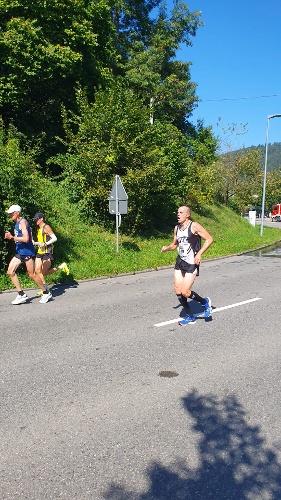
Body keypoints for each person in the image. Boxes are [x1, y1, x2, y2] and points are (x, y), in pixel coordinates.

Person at [161, 205, 213, 325]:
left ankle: (205, 302)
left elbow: (209, 239)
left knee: (185, 292)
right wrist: (167, 248)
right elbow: (175, 244)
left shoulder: (194, 226)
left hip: (191, 262)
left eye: (181, 212)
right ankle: (190, 316)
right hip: (180, 261)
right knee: (177, 289)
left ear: (187, 215)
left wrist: (199, 254)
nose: (178, 214)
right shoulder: (177, 228)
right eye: (177, 212)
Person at [4, 205, 52, 304]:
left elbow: (26, 239)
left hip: (27, 252)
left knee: (32, 274)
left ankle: (46, 292)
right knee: (10, 272)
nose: (10, 215)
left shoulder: (22, 222)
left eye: (11, 213)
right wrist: (12, 238)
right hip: (20, 252)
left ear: (17, 212)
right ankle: (21, 294)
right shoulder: (17, 223)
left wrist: (12, 237)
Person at [32, 212, 69, 295]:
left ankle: (61, 267)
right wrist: (36, 243)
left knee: (43, 273)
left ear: (41, 219)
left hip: (47, 252)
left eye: (37, 219)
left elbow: (54, 238)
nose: (36, 221)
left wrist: (45, 244)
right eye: (35, 220)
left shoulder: (46, 227)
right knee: (37, 270)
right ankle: (45, 289)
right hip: (40, 251)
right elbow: (41, 241)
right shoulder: (38, 229)